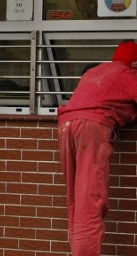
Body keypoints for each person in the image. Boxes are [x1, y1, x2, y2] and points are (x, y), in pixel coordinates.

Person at [57, 41, 137, 256]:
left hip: (66, 126)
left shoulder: (95, 71)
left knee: (75, 200)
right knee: (90, 200)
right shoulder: (129, 75)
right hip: (91, 128)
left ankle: (76, 250)